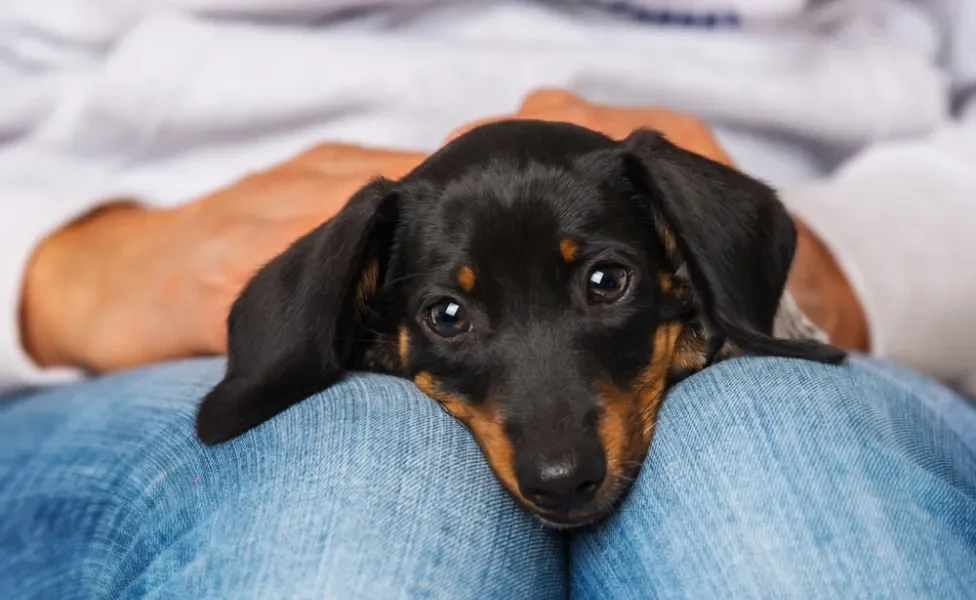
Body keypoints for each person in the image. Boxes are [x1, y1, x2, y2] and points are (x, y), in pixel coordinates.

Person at [1, 1, 975, 598]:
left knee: (771, 463)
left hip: (785, 276)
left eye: (603, 285)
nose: (554, 458)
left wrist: (850, 268)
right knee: (356, 485)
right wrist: (59, 268)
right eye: (452, 318)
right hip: (134, 318)